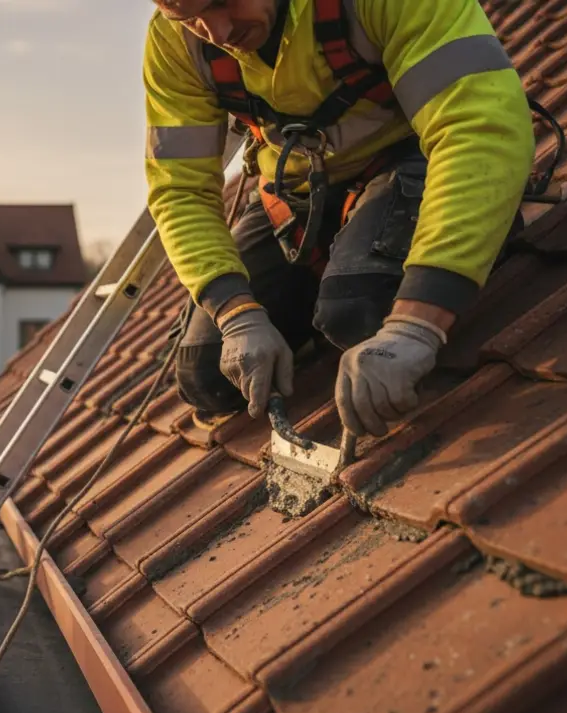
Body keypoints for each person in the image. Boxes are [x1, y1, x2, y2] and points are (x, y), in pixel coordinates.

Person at [144, 0, 535, 437]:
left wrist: (417, 323)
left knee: (360, 312)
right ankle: (329, 289)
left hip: (411, 159)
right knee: (207, 375)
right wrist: (236, 314)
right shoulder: (175, 43)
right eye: (188, 17)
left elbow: (478, 127)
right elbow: (180, 191)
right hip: (298, 191)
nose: (216, 32)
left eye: (222, 1)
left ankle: (467, 233)